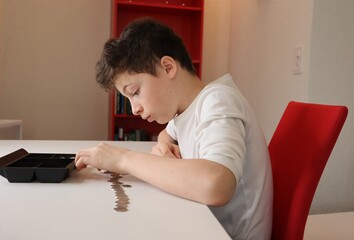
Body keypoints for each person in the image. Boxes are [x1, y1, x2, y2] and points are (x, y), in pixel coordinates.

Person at [75, 17, 273, 240]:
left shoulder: (219, 101)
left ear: (168, 67)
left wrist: (125, 160)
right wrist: (164, 144)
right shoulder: (184, 110)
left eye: (135, 92)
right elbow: (167, 133)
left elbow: (217, 185)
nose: (134, 109)